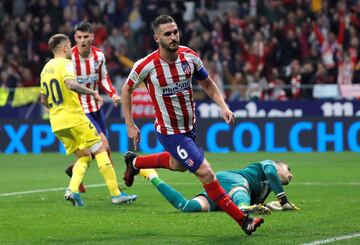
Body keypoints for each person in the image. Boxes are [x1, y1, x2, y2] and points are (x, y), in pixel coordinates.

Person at [121, 15, 263, 235]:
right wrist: (130, 124)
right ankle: (243, 220)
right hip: (169, 131)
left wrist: (223, 106)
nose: (173, 36)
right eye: (167, 34)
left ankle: (136, 162)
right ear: (156, 38)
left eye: (175, 31)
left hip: (189, 128)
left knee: (178, 165)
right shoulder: (146, 66)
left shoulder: (190, 57)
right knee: (206, 173)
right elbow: (126, 89)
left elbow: (208, 83)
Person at [40, 33, 137, 206]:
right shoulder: (66, 64)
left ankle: (72, 190)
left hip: (56, 123)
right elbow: (70, 84)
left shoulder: (45, 69)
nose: (71, 49)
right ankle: (116, 194)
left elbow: (42, 99)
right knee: (100, 149)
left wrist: (56, 111)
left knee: (84, 156)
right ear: (64, 48)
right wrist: (92, 92)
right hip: (74, 117)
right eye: (70, 45)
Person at [63, 21, 120, 193]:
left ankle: (74, 170)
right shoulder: (69, 57)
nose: (82, 40)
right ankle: (115, 188)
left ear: (92, 37)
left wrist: (113, 94)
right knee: (105, 145)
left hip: (96, 108)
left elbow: (103, 78)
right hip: (79, 110)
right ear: (75, 38)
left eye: (86, 37)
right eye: (79, 37)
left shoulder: (99, 56)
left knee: (92, 151)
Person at [138, 160, 300, 214]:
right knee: (241, 190)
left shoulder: (267, 189)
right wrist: (283, 200)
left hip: (225, 194)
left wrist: (267, 205)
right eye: (289, 169)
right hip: (232, 179)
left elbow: (257, 204)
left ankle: (151, 175)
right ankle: (241, 207)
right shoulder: (269, 165)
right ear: (279, 166)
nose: (291, 175)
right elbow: (271, 175)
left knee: (187, 207)